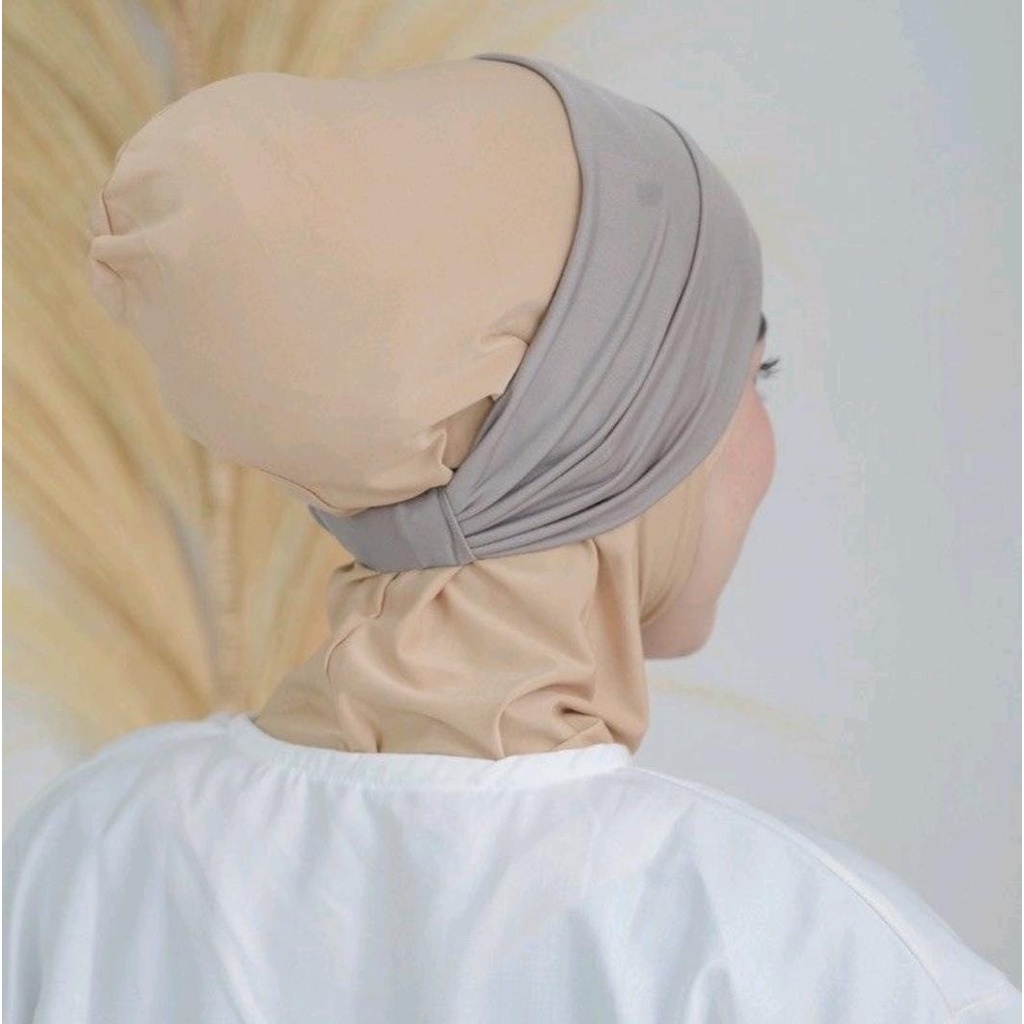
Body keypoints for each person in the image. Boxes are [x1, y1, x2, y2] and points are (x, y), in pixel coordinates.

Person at [3, 51, 1019, 1023]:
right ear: (614, 426)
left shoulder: (84, 856)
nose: (761, 444)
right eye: (749, 375)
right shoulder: (807, 958)